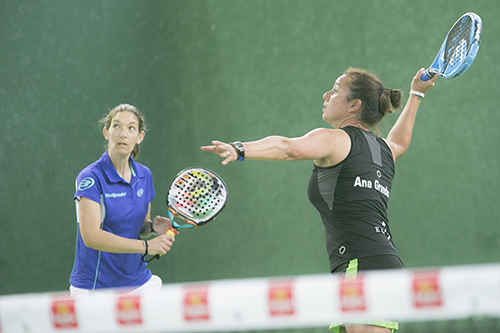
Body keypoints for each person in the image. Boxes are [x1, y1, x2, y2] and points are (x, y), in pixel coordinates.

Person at [201, 68, 437, 332]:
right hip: (378, 263)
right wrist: (416, 94)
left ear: (354, 105)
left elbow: (287, 148)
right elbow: (400, 143)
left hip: (362, 267)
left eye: (336, 90)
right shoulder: (384, 150)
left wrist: (240, 149)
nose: (326, 94)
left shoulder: (336, 139)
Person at [70, 104, 175, 296]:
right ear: (106, 132)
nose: (123, 134)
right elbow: (90, 236)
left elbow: (140, 228)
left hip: (138, 281)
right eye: (116, 126)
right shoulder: (90, 178)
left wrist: (151, 227)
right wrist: (146, 247)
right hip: (95, 288)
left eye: (131, 128)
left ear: (139, 137)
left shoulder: (144, 175)